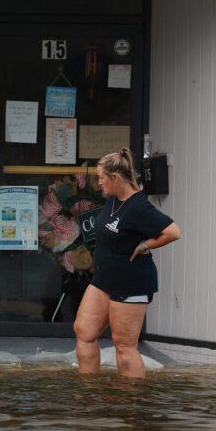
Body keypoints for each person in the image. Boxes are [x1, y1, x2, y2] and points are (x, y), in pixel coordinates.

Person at [73, 148, 181, 379]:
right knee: (84, 331)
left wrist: (144, 246)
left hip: (131, 283)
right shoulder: (113, 200)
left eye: (101, 177)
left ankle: (132, 405)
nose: (98, 182)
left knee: (123, 346)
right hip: (103, 280)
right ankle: (88, 394)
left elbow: (173, 232)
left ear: (115, 178)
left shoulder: (139, 207)